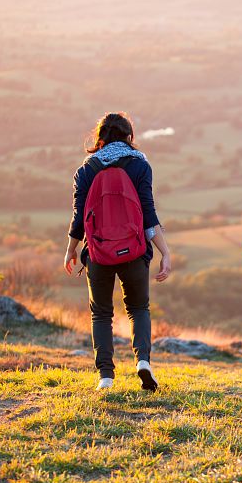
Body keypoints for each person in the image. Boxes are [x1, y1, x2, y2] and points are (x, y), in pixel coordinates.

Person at [63, 112, 172, 391]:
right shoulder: (140, 166)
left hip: (98, 252)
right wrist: (165, 253)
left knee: (101, 314)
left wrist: (71, 250)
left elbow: (79, 217)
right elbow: (148, 214)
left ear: (99, 139)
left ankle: (106, 378)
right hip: (134, 251)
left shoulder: (86, 170)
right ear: (130, 137)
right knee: (138, 308)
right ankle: (143, 362)